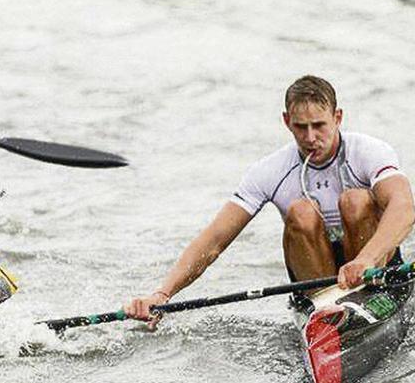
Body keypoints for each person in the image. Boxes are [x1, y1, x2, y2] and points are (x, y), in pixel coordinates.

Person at [124, 75, 414, 326]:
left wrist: (366, 259)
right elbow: (213, 242)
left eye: (319, 125)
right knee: (300, 211)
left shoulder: (370, 152)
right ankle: (325, 308)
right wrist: (162, 294)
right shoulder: (270, 170)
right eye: (301, 126)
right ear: (286, 121)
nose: (311, 137)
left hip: (376, 270)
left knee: (355, 201)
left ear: (338, 117)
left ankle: (367, 296)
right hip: (319, 281)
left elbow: (404, 207)